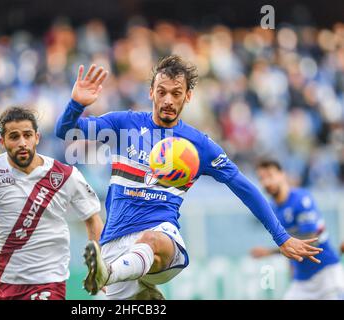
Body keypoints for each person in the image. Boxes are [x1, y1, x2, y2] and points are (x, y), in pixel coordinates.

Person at [55, 55, 323, 300]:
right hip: (114, 245)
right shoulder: (123, 124)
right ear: (151, 93)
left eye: (176, 93)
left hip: (161, 238)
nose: (168, 100)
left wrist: (281, 237)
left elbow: (243, 187)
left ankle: (108, 273)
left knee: (151, 239)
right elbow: (66, 131)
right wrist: (76, 104)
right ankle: (129, 283)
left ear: (188, 97)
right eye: (162, 92)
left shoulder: (199, 145)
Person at [0, 107, 104, 300]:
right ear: (2, 141)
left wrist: (99, 266)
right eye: (14, 137)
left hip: (50, 281)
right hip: (7, 284)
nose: (22, 143)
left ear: (37, 137)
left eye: (27, 135)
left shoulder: (66, 175)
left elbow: (93, 220)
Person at [250, 159, 344, 299]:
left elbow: (310, 241)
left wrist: (269, 252)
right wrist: (291, 269)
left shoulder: (302, 199)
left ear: (282, 174)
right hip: (302, 281)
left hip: (325, 274)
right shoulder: (272, 210)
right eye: (261, 178)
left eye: (270, 175)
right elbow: (289, 243)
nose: (266, 182)